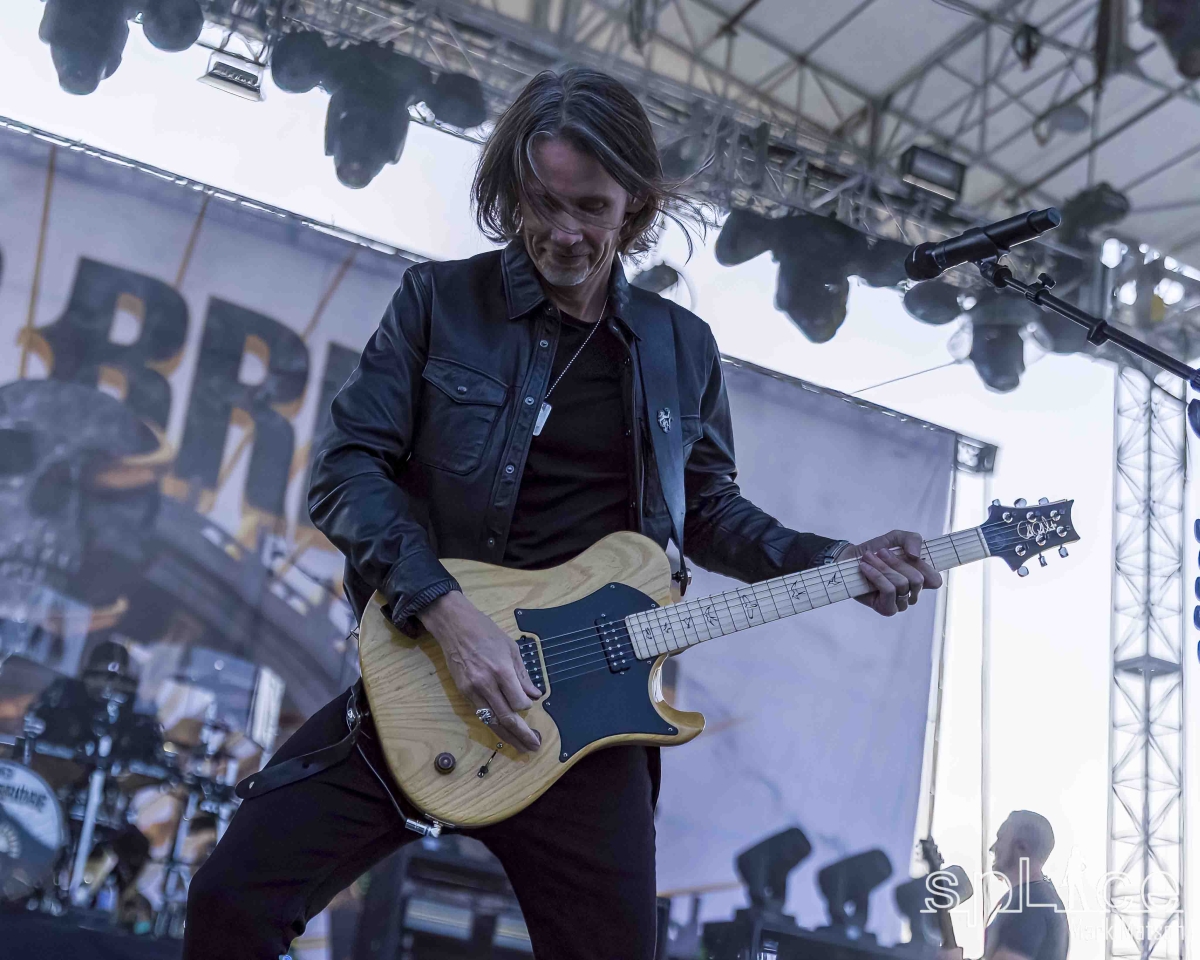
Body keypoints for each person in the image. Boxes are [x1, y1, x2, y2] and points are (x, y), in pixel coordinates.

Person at [183, 67, 942, 960]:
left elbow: (707, 511)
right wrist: (451, 617)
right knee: (232, 901)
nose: (565, 232)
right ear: (513, 190)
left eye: (592, 208)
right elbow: (346, 471)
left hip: (591, 717)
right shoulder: (439, 303)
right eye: (543, 202)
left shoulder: (679, 346)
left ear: (636, 209)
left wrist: (837, 560)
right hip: (434, 675)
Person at [939, 811, 1069, 960]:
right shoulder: (1038, 897)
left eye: (1000, 839)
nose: (992, 848)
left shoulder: (1030, 903)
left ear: (1022, 848)